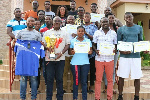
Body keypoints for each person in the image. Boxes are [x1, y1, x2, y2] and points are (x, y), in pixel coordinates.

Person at [42, 16, 70, 100]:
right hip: (49, 59)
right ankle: (49, 97)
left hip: (60, 59)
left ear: (61, 23)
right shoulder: (47, 32)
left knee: (59, 79)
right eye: (55, 21)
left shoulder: (65, 33)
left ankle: (60, 97)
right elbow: (43, 43)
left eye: (58, 21)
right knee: (49, 79)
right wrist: (47, 48)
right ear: (52, 23)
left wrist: (61, 53)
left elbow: (68, 44)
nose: (57, 22)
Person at [117, 12, 143, 100]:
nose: (128, 18)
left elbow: (141, 41)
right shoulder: (121, 29)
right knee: (121, 76)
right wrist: (122, 52)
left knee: (137, 76)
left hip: (136, 56)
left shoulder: (139, 28)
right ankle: (120, 96)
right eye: (126, 17)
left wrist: (144, 48)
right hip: (124, 57)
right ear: (124, 19)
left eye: (130, 17)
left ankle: (137, 96)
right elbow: (118, 44)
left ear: (132, 17)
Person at [15, 17, 42, 100]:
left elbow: (40, 46)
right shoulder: (20, 32)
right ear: (26, 22)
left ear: (34, 23)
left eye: (32, 21)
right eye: (29, 21)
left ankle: (33, 97)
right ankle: (22, 97)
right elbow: (16, 43)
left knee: (33, 78)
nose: (30, 22)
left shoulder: (37, 34)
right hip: (23, 59)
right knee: (23, 78)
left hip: (33, 59)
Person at [93, 17, 117, 100]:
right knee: (98, 79)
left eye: (106, 21)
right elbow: (93, 45)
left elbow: (115, 45)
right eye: (103, 22)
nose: (105, 23)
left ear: (109, 22)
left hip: (110, 59)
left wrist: (115, 50)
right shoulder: (97, 33)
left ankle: (109, 97)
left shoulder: (113, 33)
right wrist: (96, 51)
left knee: (110, 80)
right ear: (101, 23)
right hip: (99, 59)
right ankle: (97, 98)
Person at [70, 26, 92, 100]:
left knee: (84, 82)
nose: (80, 32)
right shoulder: (73, 41)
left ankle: (84, 98)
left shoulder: (88, 41)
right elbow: (70, 52)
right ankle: (75, 98)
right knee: (76, 81)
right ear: (77, 32)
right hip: (75, 63)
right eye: (79, 31)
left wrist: (90, 52)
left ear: (84, 32)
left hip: (85, 63)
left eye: (82, 31)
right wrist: (72, 52)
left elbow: (90, 51)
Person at [103, 13, 118, 94]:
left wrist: (115, 49)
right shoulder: (103, 29)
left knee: (112, 69)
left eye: (112, 18)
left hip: (114, 52)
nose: (111, 19)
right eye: (109, 18)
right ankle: (106, 86)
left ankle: (111, 87)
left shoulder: (117, 28)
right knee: (105, 69)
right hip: (104, 52)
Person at [83, 12, 98, 93]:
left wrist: (86, 34)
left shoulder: (94, 27)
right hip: (83, 52)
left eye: (87, 17)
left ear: (90, 18)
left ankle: (91, 86)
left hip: (92, 52)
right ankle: (84, 87)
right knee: (84, 70)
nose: (86, 18)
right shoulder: (80, 27)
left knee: (92, 70)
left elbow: (95, 39)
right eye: (85, 17)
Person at [62, 15, 76, 93]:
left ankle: (72, 88)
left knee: (73, 72)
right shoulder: (63, 29)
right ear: (66, 20)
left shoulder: (77, 29)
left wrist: (76, 36)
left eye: (72, 19)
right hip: (65, 53)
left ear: (74, 20)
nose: (70, 21)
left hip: (74, 53)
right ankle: (63, 87)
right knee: (64, 71)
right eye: (69, 19)